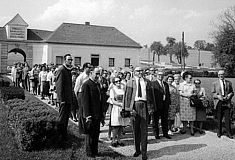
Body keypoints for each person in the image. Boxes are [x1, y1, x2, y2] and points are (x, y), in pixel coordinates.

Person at [123, 66, 151, 160]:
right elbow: (127, 97)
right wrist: (129, 109)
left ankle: (144, 152)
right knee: (135, 130)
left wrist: (151, 108)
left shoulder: (147, 82)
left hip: (144, 105)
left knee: (144, 130)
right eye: (138, 71)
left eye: (141, 71)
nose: (140, 72)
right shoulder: (130, 82)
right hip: (134, 106)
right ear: (134, 72)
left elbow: (151, 96)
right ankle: (137, 150)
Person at [80, 67, 104, 158]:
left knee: (96, 134)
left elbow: (100, 100)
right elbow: (85, 102)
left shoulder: (97, 84)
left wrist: (102, 113)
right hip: (90, 114)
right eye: (96, 74)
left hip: (97, 113)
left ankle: (95, 151)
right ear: (91, 73)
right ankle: (89, 153)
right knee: (90, 135)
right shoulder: (86, 84)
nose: (98, 76)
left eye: (99, 74)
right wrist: (87, 115)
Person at [55, 54, 73, 142]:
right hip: (64, 100)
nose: (70, 61)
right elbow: (59, 86)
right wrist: (61, 100)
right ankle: (60, 137)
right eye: (69, 59)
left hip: (68, 98)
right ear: (64, 60)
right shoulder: (61, 70)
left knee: (66, 118)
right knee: (62, 119)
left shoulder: (68, 70)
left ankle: (64, 135)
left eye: (71, 60)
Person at [212, 70, 234, 139]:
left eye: (222, 74)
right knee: (219, 117)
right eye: (220, 74)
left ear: (224, 75)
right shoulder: (214, 83)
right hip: (219, 102)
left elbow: (232, 92)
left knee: (227, 118)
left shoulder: (229, 83)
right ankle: (219, 131)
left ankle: (229, 132)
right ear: (218, 75)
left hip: (227, 102)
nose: (221, 76)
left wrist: (230, 95)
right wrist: (218, 96)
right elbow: (213, 93)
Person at [150, 70, 171, 139]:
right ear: (156, 75)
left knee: (165, 120)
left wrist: (168, 103)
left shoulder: (165, 84)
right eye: (159, 75)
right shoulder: (153, 84)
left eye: (162, 75)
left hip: (165, 105)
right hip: (157, 104)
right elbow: (151, 96)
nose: (160, 76)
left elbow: (168, 94)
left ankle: (165, 133)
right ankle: (157, 134)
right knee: (155, 121)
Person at [109, 77, 127, 147]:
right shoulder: (112, 90)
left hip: (122, 109)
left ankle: (119, 140)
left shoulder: (122, 90)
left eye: (119, 81)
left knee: (121, 125)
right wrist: (120, 104)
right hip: (116, 108)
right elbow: (113, 101)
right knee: (116, 125)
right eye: (116, 82)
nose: (118, 83)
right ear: (114, 83)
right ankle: (113, 140)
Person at [179, 71, 196, 135]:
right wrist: (187, 95)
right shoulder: (182, 84)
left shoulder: (193, 85)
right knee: (184, 117)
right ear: (185, 78)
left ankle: (192, 129)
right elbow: (180, 93)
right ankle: (184, 128)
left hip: (191, 102)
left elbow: (195, 92)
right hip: (184, 102)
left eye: (191, 78)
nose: (191, 79)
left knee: (191, 117)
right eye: (190, 78)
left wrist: (192, 94)